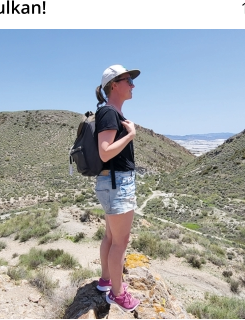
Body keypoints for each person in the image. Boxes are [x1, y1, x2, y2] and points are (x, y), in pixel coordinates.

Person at [93, 64, 141, 312]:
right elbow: (105, 152)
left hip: (110, 181)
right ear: (114, 84)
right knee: (120, 241)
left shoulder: (109, 112)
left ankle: (105, 281)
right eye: (128, 80)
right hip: (116, 182)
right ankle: (117, 294)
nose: (132, 85)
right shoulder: (110, 113)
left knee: (111, 237)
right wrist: (130, 135)